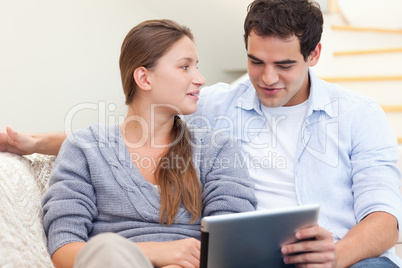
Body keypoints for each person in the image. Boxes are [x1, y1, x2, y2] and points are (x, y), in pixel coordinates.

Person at [2, 0, 401, 267]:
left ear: (313, 56)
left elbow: (387, 218)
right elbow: (130, 132)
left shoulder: (357, 115)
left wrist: (338, 253)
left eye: (284, 64)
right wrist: (35, 143)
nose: (267, 77)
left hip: (341, 254)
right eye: (255, 60)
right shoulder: (216, 106)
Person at [40, 19, 257, 268]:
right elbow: (63, 248)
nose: (200, 79)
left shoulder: (217, 149)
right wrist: (153, 252)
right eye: (185, 67)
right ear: (144, 78)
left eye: (196, 67)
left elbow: (230, 245)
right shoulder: (84, 148)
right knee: (107, 247)